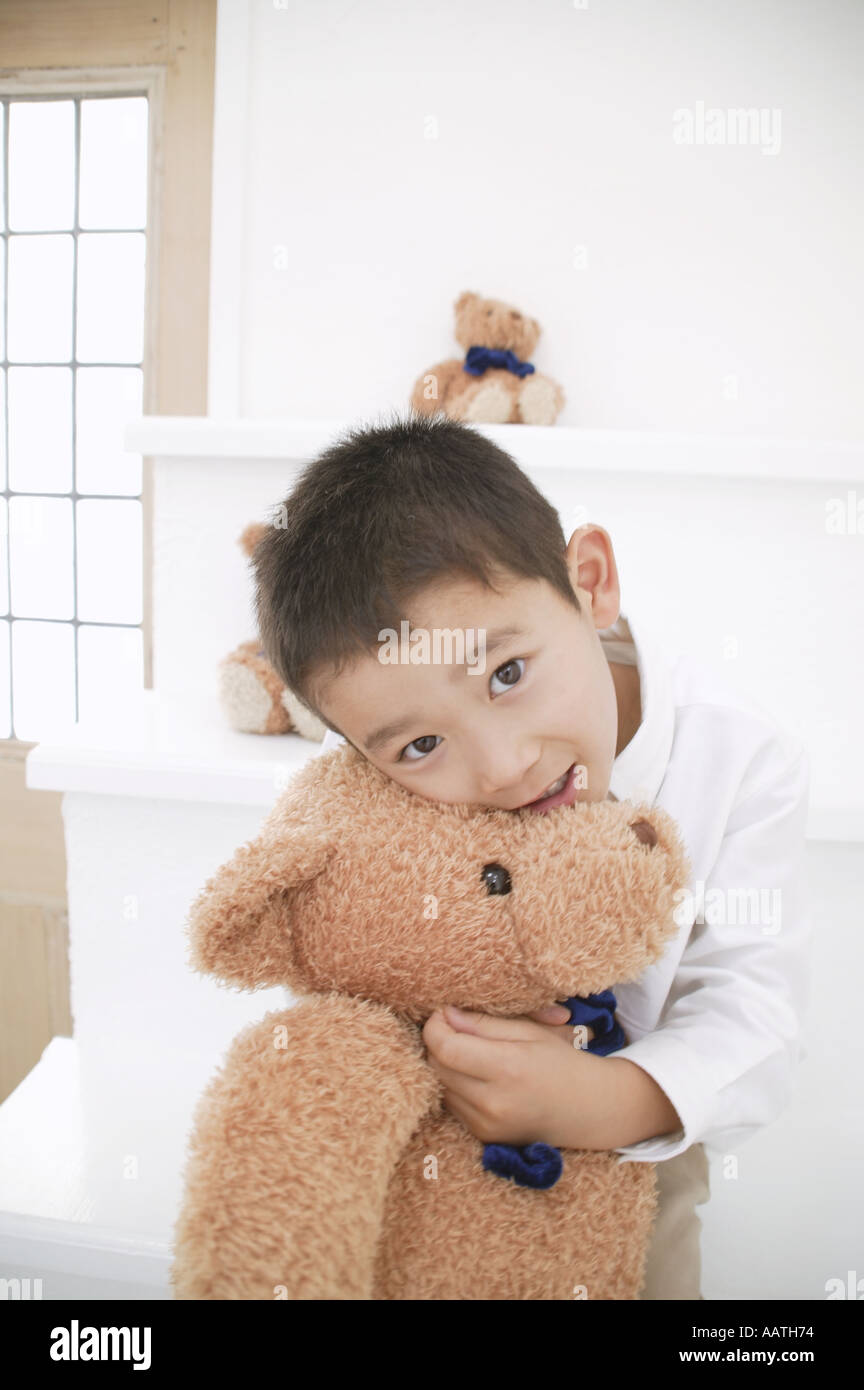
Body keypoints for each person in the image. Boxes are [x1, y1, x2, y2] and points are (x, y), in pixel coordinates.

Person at [252, 411, 811, 1300]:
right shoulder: (354, 773)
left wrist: (599, 1102)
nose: (503, 766)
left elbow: (755, 1017)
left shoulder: (737, 760)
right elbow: (345, 948)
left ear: (589, 583)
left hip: (639, 1152)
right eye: (420, 747)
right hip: (436, 1162)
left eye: (507, 675)